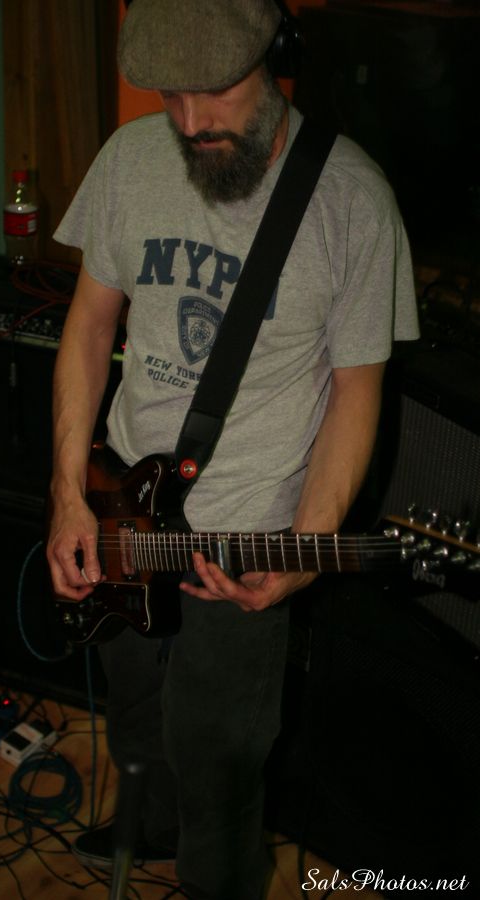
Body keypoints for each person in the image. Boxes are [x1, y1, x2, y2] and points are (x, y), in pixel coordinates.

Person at [46, 1, 420, 897]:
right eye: (169, 95)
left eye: (213, 91)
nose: (189, 121)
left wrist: (308, 548)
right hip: (115, 510)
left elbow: (356, 393)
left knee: (218, 770)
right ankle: (152, 826)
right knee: (137, 718)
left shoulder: (352, 201)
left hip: (240, 545)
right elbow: (89, 327)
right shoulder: (130, 158)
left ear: (275, 54)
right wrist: (66, 493)